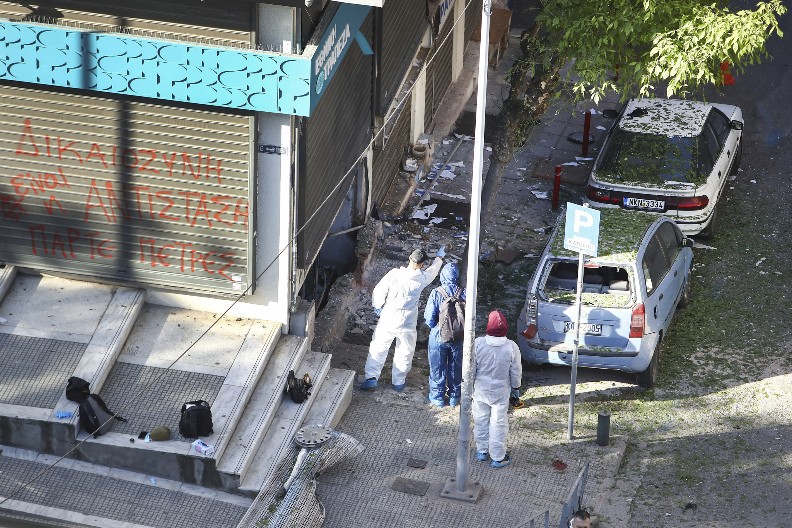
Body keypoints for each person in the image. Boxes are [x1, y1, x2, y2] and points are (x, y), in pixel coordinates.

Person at [361, 247, 444, 391]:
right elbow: (433, 271)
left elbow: (380, 289)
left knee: (379, 347)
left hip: (389, 317)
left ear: (409, 259)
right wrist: (439, 258)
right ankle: (398, 381)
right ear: (422, 264)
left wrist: (378, 305)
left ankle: (371, 378)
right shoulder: (422, 278)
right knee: (405, 351)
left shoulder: (395, 274)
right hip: (407, 321)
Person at [472, 310, 522, 469]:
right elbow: (516, 371)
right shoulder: (511, 347)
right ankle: (498, 457)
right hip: (500, 392)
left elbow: (471, 367)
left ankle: (481, 451)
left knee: (480, 420)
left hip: (480, 389)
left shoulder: (478, 343)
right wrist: (516, 388)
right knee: (498, 424)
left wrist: (468, 386)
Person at [423, 262, 466, 407]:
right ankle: (455, 397)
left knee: (437, 367)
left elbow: (429, 319)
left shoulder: (436, 292)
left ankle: (437, 397)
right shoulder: (464, 292)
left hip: (438, 335)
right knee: (456, 367)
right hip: (458, 337)